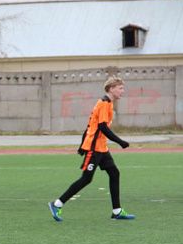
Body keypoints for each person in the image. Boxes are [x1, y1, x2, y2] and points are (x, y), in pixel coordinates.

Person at [48, 76, 135, 221]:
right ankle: (57, 204)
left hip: (101, 148)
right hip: (94, 149)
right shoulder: (104, 103)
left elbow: (91, 125)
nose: (123, 91)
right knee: (86, 179)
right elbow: (102, 127)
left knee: (114, 173)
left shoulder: (107, 103)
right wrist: (120, 142)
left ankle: (117, 211)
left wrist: (82, 145)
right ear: (111, 89)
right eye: (120, 88)